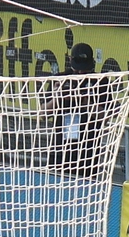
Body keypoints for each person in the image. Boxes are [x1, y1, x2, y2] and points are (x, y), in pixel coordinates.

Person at [43, 42, 113, 178]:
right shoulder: (61, 79)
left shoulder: (101, 82)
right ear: (70, 61)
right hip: (60, 148)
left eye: (84, 69)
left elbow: (106, 117)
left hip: (87, 150)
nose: (80, 73)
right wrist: (57, 98)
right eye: (77, 69)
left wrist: (85, 101)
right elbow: (42, 114)